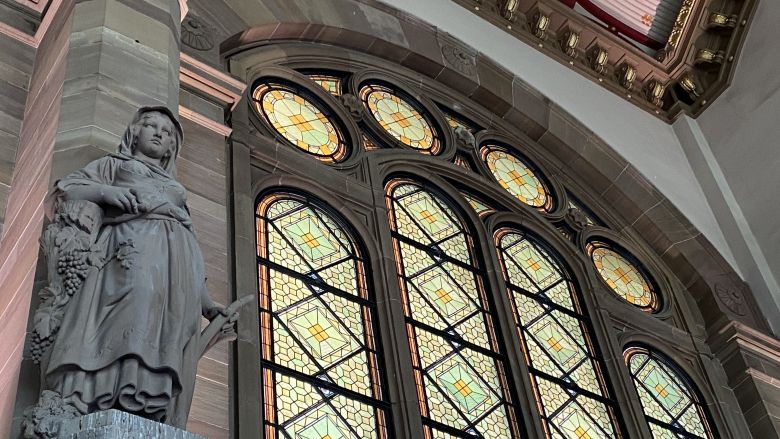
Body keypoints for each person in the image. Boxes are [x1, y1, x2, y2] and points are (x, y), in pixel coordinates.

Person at [43, 107, 227, 427]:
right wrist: (107, 192)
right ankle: (103, 394)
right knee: (129, 313)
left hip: (174, 268)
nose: (159, 133)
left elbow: (194, 255)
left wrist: (208, 304)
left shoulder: (175, 190)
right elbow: (67, 189)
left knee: (160, 327)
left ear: (172, 147)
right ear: (135, 133)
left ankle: (142, 404)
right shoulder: (115, 165)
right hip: (129, 250)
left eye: (167, 132)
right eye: (151, 126)